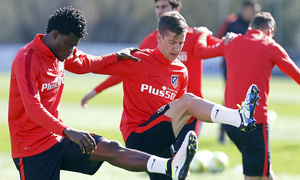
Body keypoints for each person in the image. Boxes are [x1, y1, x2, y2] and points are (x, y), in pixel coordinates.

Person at [8, 6, 199, 180]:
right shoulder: (27, 59)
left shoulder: (61, 52)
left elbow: (85, 63)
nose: (71, 51)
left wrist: (116, 56)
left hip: (56, 138)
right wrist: (68, 131)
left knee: (109, 148)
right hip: (31, 149)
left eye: (74, 45)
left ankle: (170, 166)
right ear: (55, 34)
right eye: (69, 44)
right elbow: (33, 108)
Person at [89, 10, 260, 180]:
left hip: (161, 137)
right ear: (159, 38)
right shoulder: (139, 59)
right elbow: (91, 66)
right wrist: (68, 57)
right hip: (138, 138)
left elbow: (177, 114)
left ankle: (238, 119)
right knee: (187, 101)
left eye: (180, 43)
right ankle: (239, 117)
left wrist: (234, 41)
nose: (177, 48)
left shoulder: (181, 71)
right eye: (172, 42)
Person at [81, 0, 222, 156]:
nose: (159, 11)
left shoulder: (195, 36)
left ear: (176, 9)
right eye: (157, 7)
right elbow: (130, 71)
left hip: (193, 111)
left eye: (164, 7)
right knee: (171, 163)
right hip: (165, 114)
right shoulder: (151, 40)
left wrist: (211, 36)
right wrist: (96, 90)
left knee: (180, 162)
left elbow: (221, 48)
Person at [195, 12, 300, 180]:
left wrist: (203, 34)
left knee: (263, 170)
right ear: (270, 30)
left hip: (230, 123)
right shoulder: (271, 46)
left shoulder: (232, 42)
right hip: (254, 124)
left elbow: (200, 51)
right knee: (254, 174)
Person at [216, 0, 261, 143]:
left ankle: (245, 129)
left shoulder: (255, 25)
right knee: (229, 99)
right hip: (231, 68)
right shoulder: (231, 22)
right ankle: (224, 132)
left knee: (249, 97)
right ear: (245, 8)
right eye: (253, 9)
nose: (255, 12)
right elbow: (218, 41)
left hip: (249, 69)